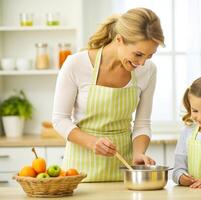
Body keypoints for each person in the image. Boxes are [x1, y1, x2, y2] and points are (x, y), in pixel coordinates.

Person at [52, 7, 164, 182]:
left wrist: (138, 153)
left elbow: (142, 123)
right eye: (138, 54)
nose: (142, 63)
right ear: (119, 39)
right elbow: (60, 120)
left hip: (124, 171)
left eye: (149, 56)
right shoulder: (76, 64)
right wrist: (92, 142)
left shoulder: (148, 71)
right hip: (79, 172)